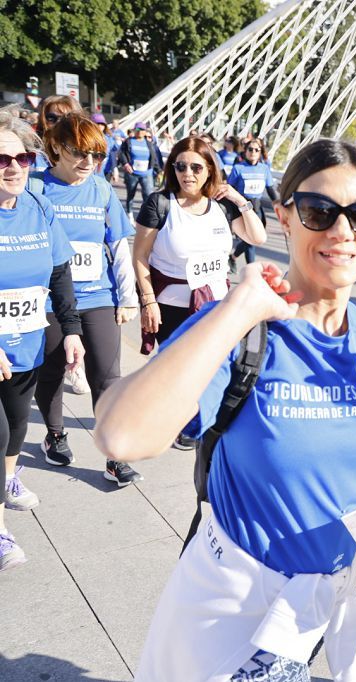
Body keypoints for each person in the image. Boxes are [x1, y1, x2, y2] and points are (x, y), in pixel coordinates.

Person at [94, 139, 356, 680]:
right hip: (231, 612)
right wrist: (238, 310)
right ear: (284, 215)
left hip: (324, 609)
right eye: (321, 212)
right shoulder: (246, 330)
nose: (342, 232)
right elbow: (120, 437)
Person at [132, 135, 267, 449]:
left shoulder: (221, 207)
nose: (187, 173)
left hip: (217, 304)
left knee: (211, 366)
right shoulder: (160, 203)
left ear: (210, 170)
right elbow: (140, 256)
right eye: (180, 166)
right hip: (172, 304)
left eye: (196, 167)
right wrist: (148, 300)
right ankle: (174, 420)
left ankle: (197, 419)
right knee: (176, 369)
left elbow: (257, 237)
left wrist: (238, 199)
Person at [32, 113, 143, 486]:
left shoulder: (101, 189)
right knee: (50, 371)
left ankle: (115, 456)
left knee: (108, 377)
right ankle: (55, 434)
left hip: (98, 295)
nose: (88, 163)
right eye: (79, 153)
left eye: (96, 155)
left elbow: (118, 246)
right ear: (56, 149)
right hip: (49, 301)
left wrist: (129, 298)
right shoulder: (37, 188)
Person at [0, 105, 85, 571]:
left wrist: (70, 331)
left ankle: (10, 478)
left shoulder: (38, 205)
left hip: (27, 343)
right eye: (2, 160)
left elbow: (60, 275)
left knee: (15, 428)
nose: (13, 168)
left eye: (21, 159)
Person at [226, 136, 277, 270]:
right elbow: (229, 188)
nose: (253, 152)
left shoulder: (264, 169)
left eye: (256, 149)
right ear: (245, 151)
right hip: (242, 206)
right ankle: (252, 270)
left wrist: (278, 203)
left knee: (254, 238)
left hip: (257, 206)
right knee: (250, 241)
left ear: (260, 152)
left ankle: (233, 257)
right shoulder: (238, 168)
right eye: (250, 149)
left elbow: (270, 188)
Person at [117, 123, 161, 215]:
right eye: (137, 129)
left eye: (142, 129)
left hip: (146, 174)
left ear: (145, 132)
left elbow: (154, 157)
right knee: (131, 194)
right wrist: (125, 164)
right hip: (132, 173)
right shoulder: (128, 141)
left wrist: (159, 170)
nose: (139, 131)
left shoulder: (149, 143)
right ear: (134, 130)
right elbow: (121, 153)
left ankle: (146, 214)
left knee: (148, 195)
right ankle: (130, 213)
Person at [34, 96, 85, 172]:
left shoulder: (89, 153)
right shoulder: (33, 154)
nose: (59, 123)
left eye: (66, 118)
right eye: (52, 118)